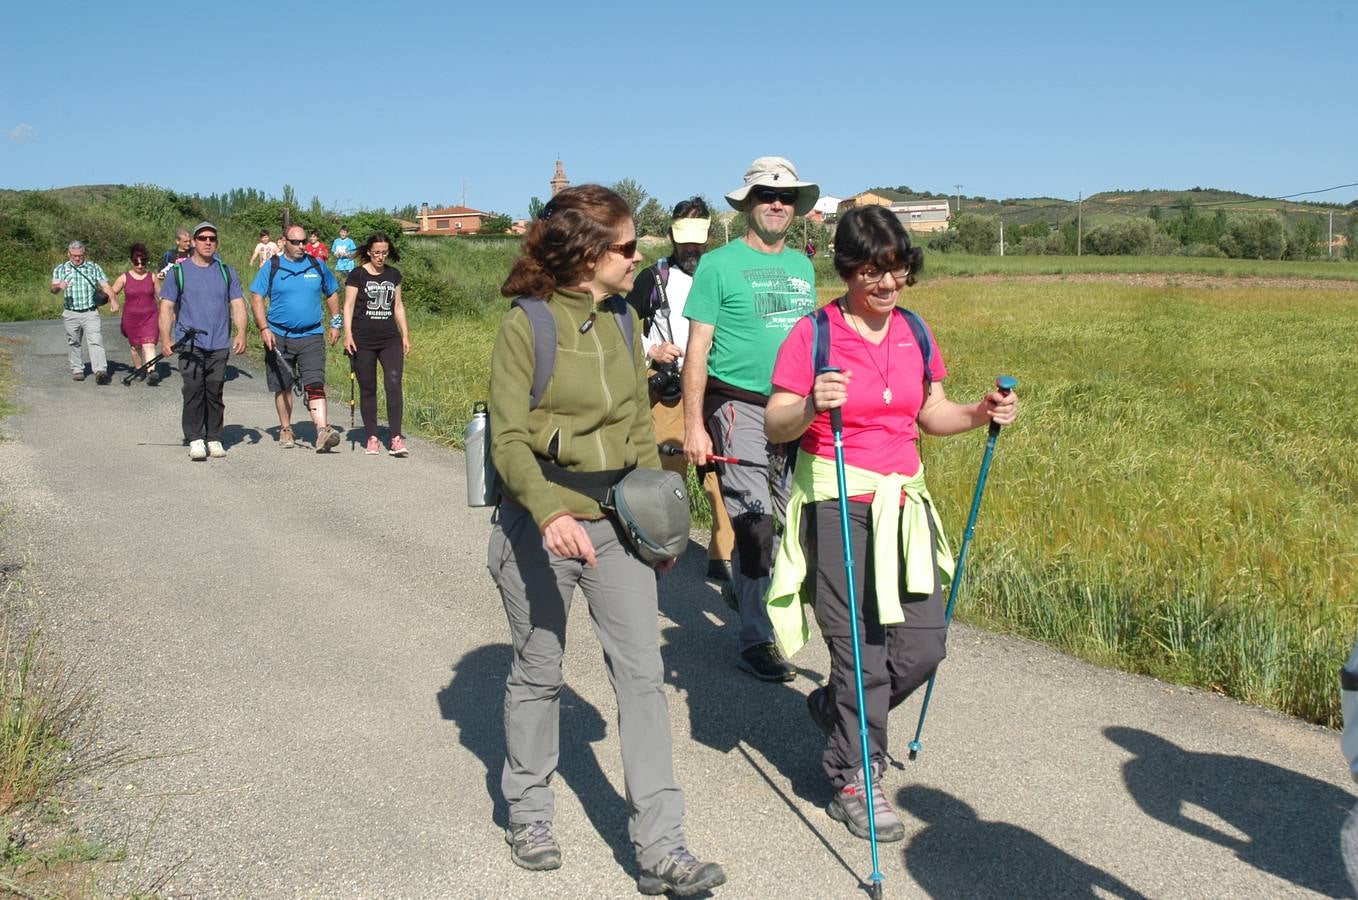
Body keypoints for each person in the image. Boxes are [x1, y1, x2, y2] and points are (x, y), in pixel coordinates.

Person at [487, 185, 725, 895]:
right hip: (541, 522)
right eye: (627, 246)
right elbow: (507, 441)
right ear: (589, 254)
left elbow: (632, 433)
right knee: (539, 670)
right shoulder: (526, 326)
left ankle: (661, 846)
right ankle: (529, 814)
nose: (639, 255)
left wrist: (661, 518)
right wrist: (550, 512)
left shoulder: (623, 319)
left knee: (642, 678)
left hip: (617, 527)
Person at [763, 204, 1017, 842]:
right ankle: (855, 773)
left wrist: (981, 413)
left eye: (898, 270)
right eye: (874, 271)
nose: (888, 283)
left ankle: (834, 710)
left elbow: (931, 414)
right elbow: (775, 423)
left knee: (924, 644)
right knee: (860, 650)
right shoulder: (814, 334)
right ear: (848, 270)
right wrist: (809, 405)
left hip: (903, 504)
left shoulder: (915, 331)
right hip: (837, 499)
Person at [682, 156, 819, 682]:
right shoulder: (718, 265)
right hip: (738, 404)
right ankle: (757, 640)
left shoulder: (804, 268)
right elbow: (698, 350)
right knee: (755, 520)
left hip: (796, 408)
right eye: (766, 195)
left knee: (799, 519)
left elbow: (810, 342)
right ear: (749, 205)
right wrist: (694, 424)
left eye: (785, 197)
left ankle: (751, 592)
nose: (777, 203)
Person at [624, 197, 735, 583]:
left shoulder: (723, 274)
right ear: (672, 235)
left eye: (698, 237)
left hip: (716, 389)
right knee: (665, 475)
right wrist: (650, 349)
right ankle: (657, 547)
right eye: (684, 238)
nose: (691, 248)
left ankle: (723, 557)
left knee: (719, 474)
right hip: (669, 390)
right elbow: (619, 325)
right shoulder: (653, 280)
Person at [157, 222, 248, 461]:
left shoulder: (227, 272)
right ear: (194, 242)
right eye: (203, 238)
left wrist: (241, 333)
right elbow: (166, 306)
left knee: (215, 390)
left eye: (212, 239)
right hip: (189, 341)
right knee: (193, 389)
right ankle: (195, 437)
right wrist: (166, 338)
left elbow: (237, 303)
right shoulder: (179, 272)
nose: (208, 242)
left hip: (219, 341)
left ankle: (214, 437)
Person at [250, 225, 343, 451]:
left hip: (311, 335)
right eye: (296, 242)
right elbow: (256, 297)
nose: (302, 246)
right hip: (279, 335)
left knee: (315, 383)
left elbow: (331, 291)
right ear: (284, 242)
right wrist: (264, 328)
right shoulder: (272, 266)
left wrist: (336, 322)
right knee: (283, 385)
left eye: (303, 242)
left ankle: (322, 431)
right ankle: (286, 429)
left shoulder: (316, 265)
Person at [342, 232, 410, 456]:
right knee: (368, 387)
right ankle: (372, 436)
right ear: (369, 252)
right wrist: (348, 334)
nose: (381, 257)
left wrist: (405, 335)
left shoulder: (393, 275)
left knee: (393, 384)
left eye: (384, 252)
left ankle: (395, 437)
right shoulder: (357, 275)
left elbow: (398, 306)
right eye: (377, 252)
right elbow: (349, 306)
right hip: (363, 339)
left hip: (390, 339)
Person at [50, 240, 118, 383]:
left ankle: (100, 370)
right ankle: (77, 369)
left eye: (80, 255)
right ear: (69, 254)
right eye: (74, 255)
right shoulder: (61, 269)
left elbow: (105, 285)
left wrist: (113, 301)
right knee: (74, 341)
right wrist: (58, 286)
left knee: (96, 341)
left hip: (90, 312)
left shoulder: (93, 267)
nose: (77, 258)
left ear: (84, 254)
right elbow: (53, 289)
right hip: (71, 312)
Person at [108, 244, 162, 384]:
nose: (140, 266)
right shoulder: (124, 278)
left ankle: (151, 373)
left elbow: (160, 297)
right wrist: (113, 302)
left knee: (149, 344)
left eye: (143, 262)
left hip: (150, 316)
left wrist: (168, 312)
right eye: (136, 263)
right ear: (131, 262)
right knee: (135, 346)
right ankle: (139, 369)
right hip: (131, 318)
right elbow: (112, 292)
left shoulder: (152, 277)